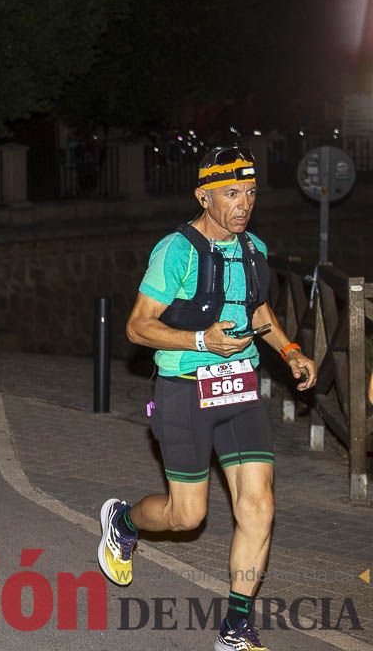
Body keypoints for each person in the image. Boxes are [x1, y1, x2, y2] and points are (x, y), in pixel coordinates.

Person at [98, 147, 317, 651]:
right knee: (186, 517)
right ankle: (123, 521)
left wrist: (288, 350)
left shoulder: (252, 247)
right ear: (204, 195)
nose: (244, 205)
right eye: (232, 194)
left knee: (258, 505)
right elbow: (136, 327)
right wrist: (202, 342)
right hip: (184, 392)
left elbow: (256, 307)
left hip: (239, 389)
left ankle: (235, 630)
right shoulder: (175, 251)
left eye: (251, 194)